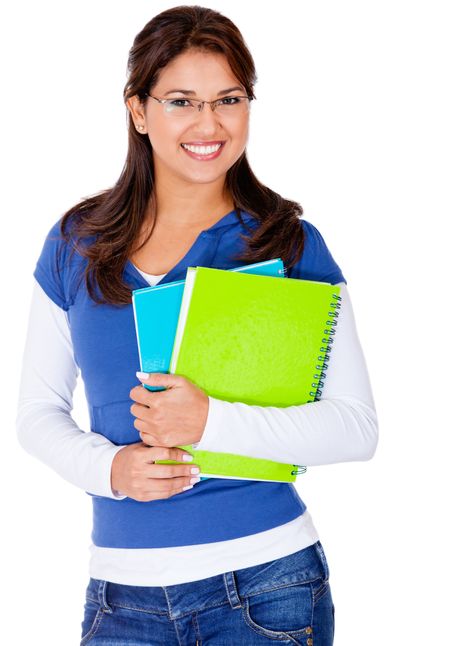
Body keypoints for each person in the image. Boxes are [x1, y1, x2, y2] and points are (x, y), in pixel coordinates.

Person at [16, 5, 378, 645]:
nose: (209, 124)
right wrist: (110, 471)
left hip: (267, 586)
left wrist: (211, 422)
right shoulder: (77, 242)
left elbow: (355, 427)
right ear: (137, 110)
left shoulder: (289, 245)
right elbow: (36, 414)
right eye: (181, 100)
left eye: (229, 99)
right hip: (119, 597)